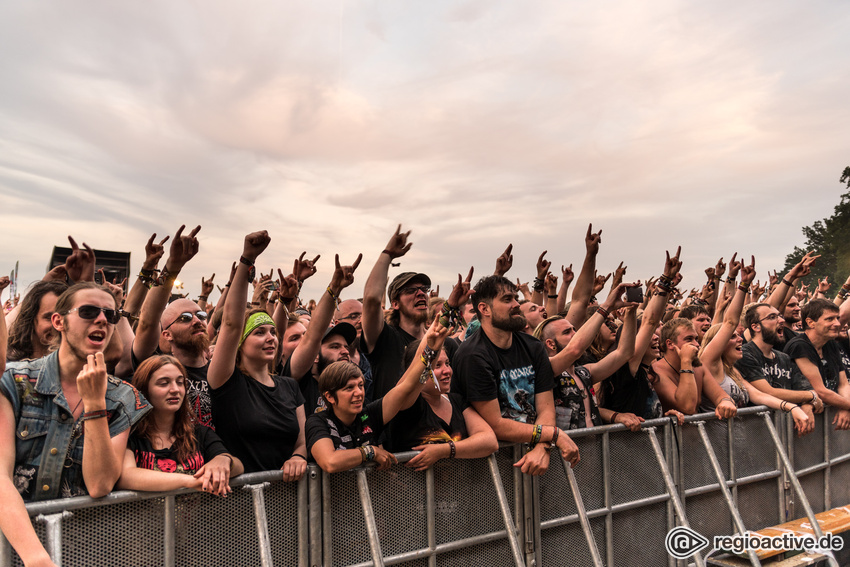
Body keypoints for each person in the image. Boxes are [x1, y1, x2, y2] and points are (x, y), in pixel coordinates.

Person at [1, 282, 151, 566]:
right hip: (14, 546)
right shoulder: (16, 382)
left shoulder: (122, 397)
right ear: (59, 321)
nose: (102, 319)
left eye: (110, 314)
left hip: (82, 550)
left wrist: (95, 404)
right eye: (89, 311)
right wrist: (36, 558)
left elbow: (99, 484)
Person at [453, 275, 579, 476]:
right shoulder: (473, 355)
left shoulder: (533, 347)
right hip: (492, 468)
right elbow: (496, 424)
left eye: (515, 298)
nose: (516, 305)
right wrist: (552, 434)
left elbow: (546, 408)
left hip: (536, 459)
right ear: (484, 309)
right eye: (507, 299)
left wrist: (542, 447)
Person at [207, 231, 308, 478]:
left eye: (273, 332)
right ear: (240, 344)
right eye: (259, 332)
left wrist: (299, 456)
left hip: (288, 497)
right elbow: (231, 324)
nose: (271, 337)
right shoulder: (226, 381)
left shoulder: (289, 387)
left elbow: (303, 441)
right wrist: (247, 259)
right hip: (238, 501)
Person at [696, 259, 811, 434]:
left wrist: (791, 408)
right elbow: (730, 322)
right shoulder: (708, 362)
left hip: (739, 442)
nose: (740, 339)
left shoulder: (733, 372)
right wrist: (742, 284)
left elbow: (759, 395)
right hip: (715, 443)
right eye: (732, 337)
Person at [118, 355, 244, 495]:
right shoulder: (130, 433)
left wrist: (224, 460)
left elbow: (239, 466)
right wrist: (189, 481)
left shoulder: (198, 431)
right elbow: (126, 476)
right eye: (163, 383)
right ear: (144, 390)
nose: (175, 389)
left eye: (180, 382)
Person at [385, 336, 498, 470]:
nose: (447, 371)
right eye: (437, 365)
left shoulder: (457, 400)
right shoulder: (408, 405)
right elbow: (405, 388)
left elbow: (490, 441)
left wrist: (443, 451)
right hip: (416, 490)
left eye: (448, 363)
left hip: (460, 488)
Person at [736, 303, 823, 428]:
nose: (781, 320)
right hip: (756, 433)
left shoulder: (784, 358)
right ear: (756, 327)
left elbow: (807, 388)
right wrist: (812, 397)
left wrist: (807, 405)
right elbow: (768, 392)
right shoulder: (744, 354)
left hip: (786, 430)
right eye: (772, 317)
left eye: (780, 316)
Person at [651, 318, 737, 419]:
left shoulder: (698, 367)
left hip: (696, 433)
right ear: (670, 344)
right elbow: (688, 407)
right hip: (671, 434)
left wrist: (726, 401)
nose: (696, 344)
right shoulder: (656, 371)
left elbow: (721, 396)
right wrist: (686, 361)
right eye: (689, 339)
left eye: (696, 339)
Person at [784, 298, 850, 430]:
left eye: (837, 318)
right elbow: (821, 391)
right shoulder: (799, 346)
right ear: (810, 322)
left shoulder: (830, 342)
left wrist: (845, 407)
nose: (837, 323)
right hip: (799, 425)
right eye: (830, 319)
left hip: (827, 421)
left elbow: (843, 384)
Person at [5, 281, 67, 362]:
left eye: (65, 317)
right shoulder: (10, 370)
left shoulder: (83, 368)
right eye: (49, 318)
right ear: (30, 320)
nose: (58, 324)